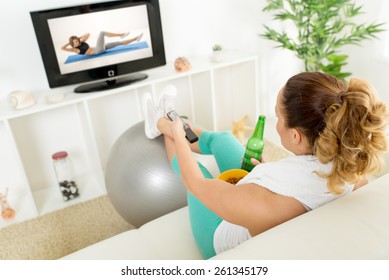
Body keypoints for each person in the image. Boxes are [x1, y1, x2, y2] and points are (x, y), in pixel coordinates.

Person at [142, 72, 388, 259]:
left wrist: (178, 134)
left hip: (217, 235)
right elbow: (304, 182)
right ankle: (165, 117)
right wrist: (270, 171)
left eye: (278, 117)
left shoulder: (268, 203)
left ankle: (162, 124)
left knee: (201, 169)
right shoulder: (347, 164)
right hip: (259, 198)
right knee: (225, 139)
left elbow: (195, 183)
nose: (276, 122)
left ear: (295, 137)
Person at [61, 31, 143, 56]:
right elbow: (62, 48)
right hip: (98, 50)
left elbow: (88, 34)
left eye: (76, 41)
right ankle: (122, 35)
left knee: (118, 43)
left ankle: (136, 38)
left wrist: (79, 37)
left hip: (99, 48)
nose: (75, 43)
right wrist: (69, 43)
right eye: (73, 42)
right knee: (102, 33)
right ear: (72, 44)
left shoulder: (82, 42)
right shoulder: (75, 49)